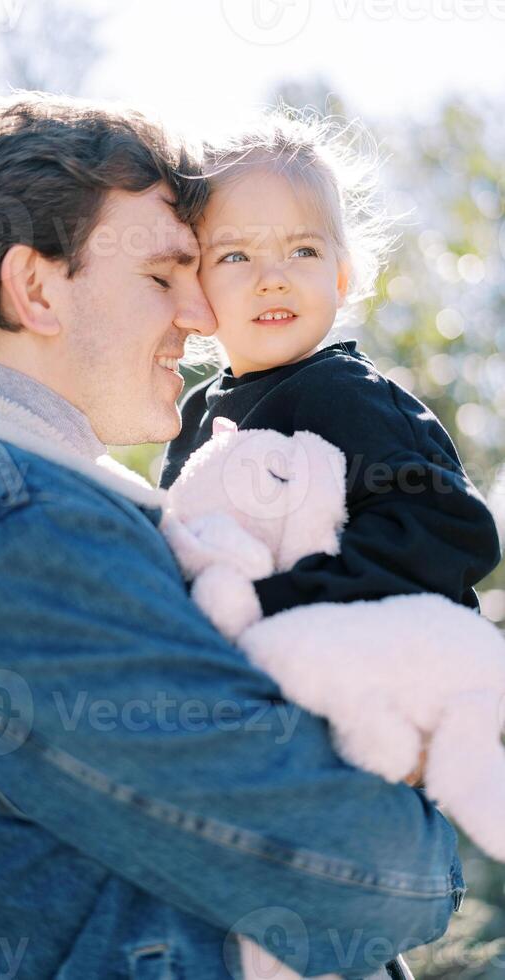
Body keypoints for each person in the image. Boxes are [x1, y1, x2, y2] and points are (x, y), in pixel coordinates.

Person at [0, 94, 465, 980]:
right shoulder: (17, 531)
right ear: (35, 288)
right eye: (160, 276)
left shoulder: (3, 497)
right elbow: (375, 880)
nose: (199, 313)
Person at [160, 110, 500, 620]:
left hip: (392, 673)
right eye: (235, 256)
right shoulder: (191, 419)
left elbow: (448, 529)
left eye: (302, 250)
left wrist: (276, 603)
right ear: (195, 284)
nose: (273, 279)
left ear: (339, 280)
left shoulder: (344, 394)